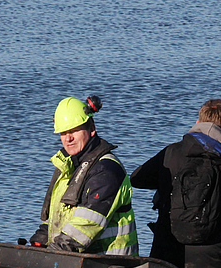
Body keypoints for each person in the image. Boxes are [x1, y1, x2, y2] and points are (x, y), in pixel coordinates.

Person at [130, 99, 221, 268]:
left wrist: (167, 183)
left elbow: (137, 178)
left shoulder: (171, 153)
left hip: (166, 262)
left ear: (197, 121)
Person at [28, 95, 138, 255]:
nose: (68, 138)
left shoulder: (107, 170)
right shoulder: (68, 166)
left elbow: (86, 226)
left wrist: (50, 255)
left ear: (91, 128)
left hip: (110, 265)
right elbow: (59, 217)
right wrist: (39, 241)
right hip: (76, 260)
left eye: (74, 130)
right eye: (63, 133)